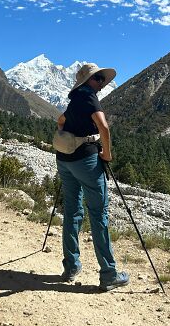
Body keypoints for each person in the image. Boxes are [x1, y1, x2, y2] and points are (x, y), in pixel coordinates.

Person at [55, 63, 129, 291]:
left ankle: (71, 266)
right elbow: (104, 127)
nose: (101, 83)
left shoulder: (75, 98)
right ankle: (108, 274)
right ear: (87, 80)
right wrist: (107, 154)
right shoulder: (89, 97)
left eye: (101, 79)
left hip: (64, 159)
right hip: (86, 161)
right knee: (98, 214)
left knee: (72, 210)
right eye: (97, 78)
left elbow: (61, 121)